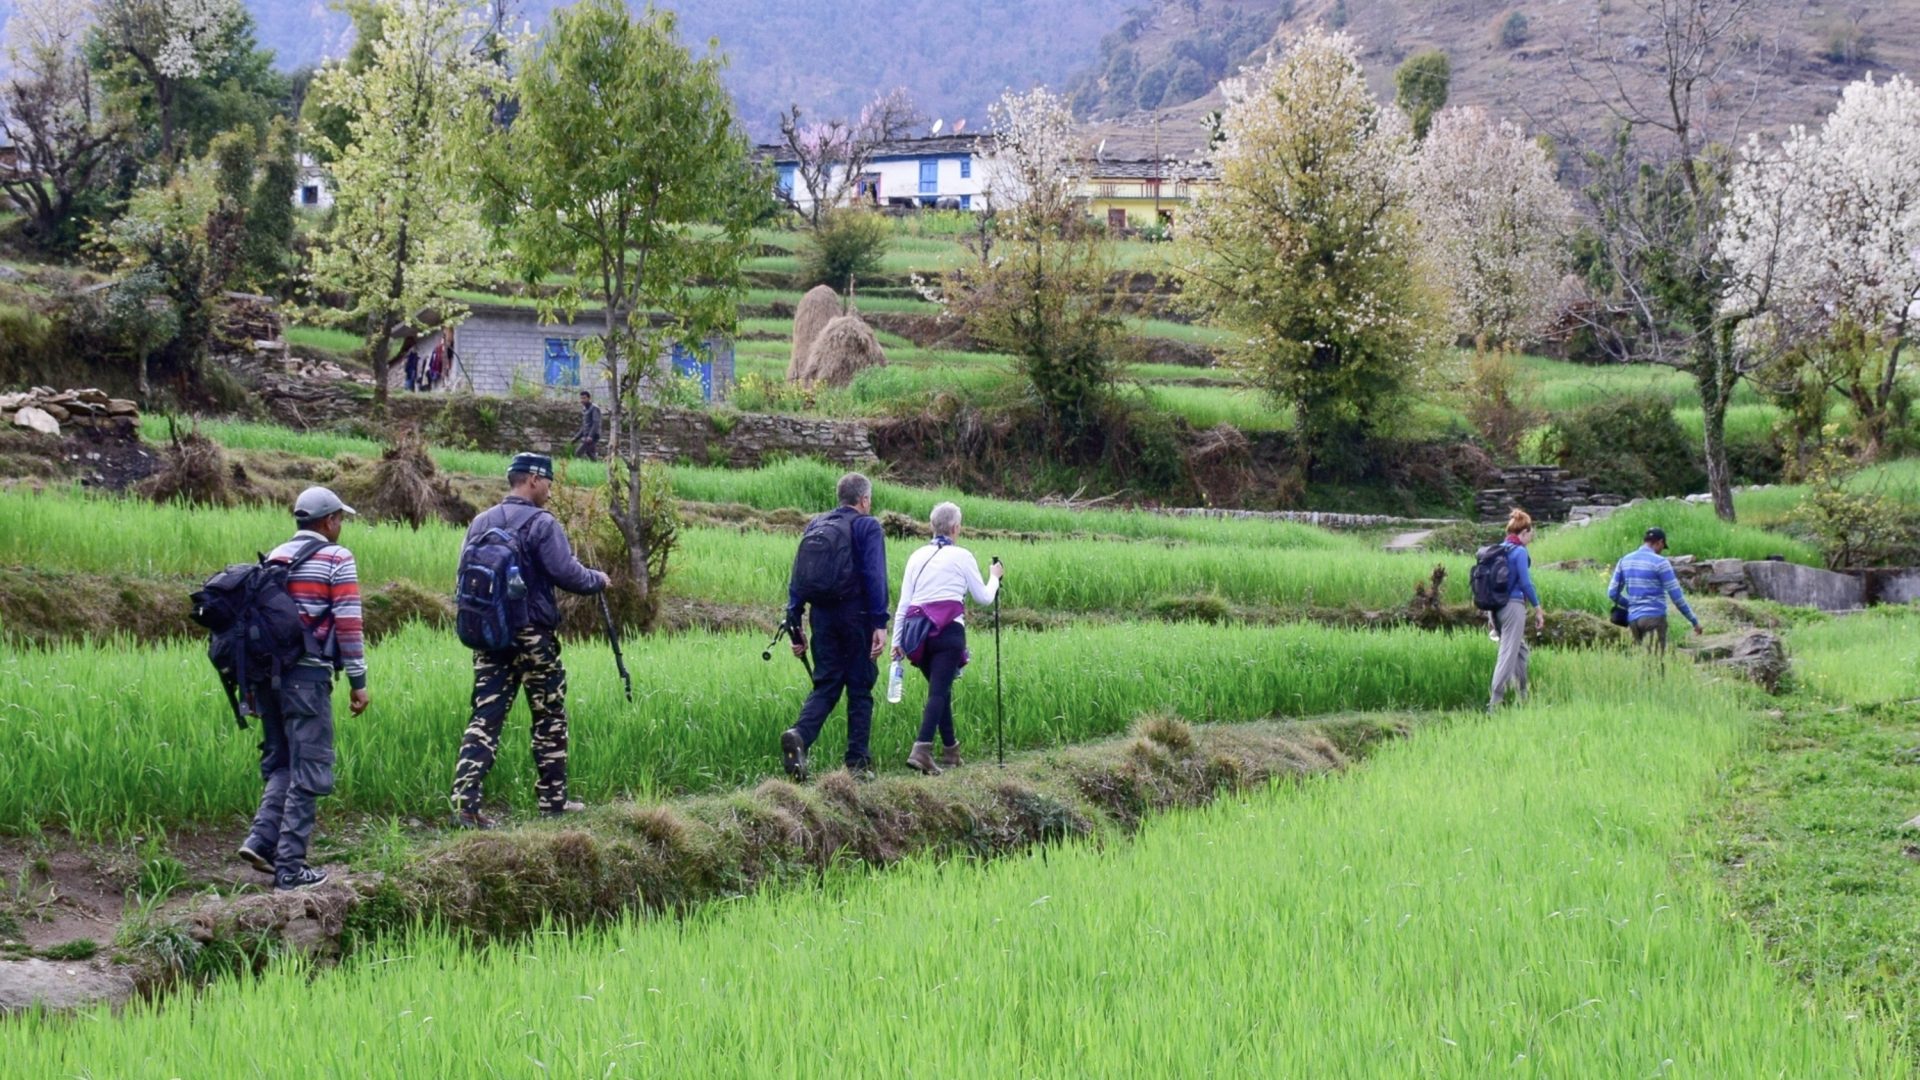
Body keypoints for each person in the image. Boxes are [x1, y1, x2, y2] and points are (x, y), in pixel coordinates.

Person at [449, 453, 610, 828]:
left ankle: (464, 803)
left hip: (490, 635)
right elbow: (566, 573)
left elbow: (463, 577)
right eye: (549, 483)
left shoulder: (480, 522)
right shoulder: (542, 523)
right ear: (534, 480)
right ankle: (553, 803)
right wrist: (597, 579)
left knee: (485, 717)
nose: (551, 491)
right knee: (549, 716)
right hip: (533, 636)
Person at [236, 486, 371, 892]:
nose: (341, 526)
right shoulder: (336, 557)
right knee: (310, 765)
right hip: (307, 677)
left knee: (284, 761)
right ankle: (291, 869)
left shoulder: (276, 556)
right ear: (328, 521)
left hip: (266, 678)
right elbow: (348, 622)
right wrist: (358, 682)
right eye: (340, 519)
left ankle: (262, 842)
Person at [780, 472, 890, 781]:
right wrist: (880, 623)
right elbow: (874, 576)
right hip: (857, 617)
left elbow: (798, 578)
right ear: (864, 500)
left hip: (822, 617)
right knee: (860, 686)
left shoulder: (816, 525)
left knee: (826, 684)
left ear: (840, 497)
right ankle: (857, 764)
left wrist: (795, 622)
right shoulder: (867, 526)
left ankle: (799, 735)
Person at [890, 502, 1002, 775]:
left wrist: (897, 641)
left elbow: (904, 602)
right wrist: (995, 577)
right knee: (938, 692)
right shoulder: (962, 556)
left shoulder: (916, 556)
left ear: (932, 526)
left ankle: (951, 751)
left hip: (916, 634)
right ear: (955, 528)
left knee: (941, 690)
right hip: (948, 633)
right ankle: (922, 750)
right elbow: (984, 598)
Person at [1608, 526, 1703, 652]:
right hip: (1654, 619)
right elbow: (1677, 597)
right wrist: (1693, 620)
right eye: (1662, 547)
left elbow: (1612, 593)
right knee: (1656, 664)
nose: (1661, 551)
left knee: (1644, 661)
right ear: (1660, 542)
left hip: (1633, 620)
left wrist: (1631, 605)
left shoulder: (1624, 561)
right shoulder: (1660, 563)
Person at [1488, 508, 1544, 711]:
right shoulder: (1519, 551)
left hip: (1496, 608)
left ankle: (1523, 696)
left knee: (1521, 651)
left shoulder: (1500, 549)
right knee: (1508, 653)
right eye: (1531, 533)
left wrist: (1490, 613)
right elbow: (1526, 583)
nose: (1532, 537)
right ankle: (1495, 702)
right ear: (1524, 532)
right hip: (1513, 606)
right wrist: (1538, 608)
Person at [572, 390, 602, 461]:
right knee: (590, 453)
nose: (582, 400)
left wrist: (590, 436)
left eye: (584, 398)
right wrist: (576, 438)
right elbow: (584, 426)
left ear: (589, 398)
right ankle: (596, 467)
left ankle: (577, 469)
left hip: (593, 435)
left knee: (578, 453)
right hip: (587, 435)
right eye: (581, 398)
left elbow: (596, 423)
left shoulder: (594, 408)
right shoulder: (585, 409)